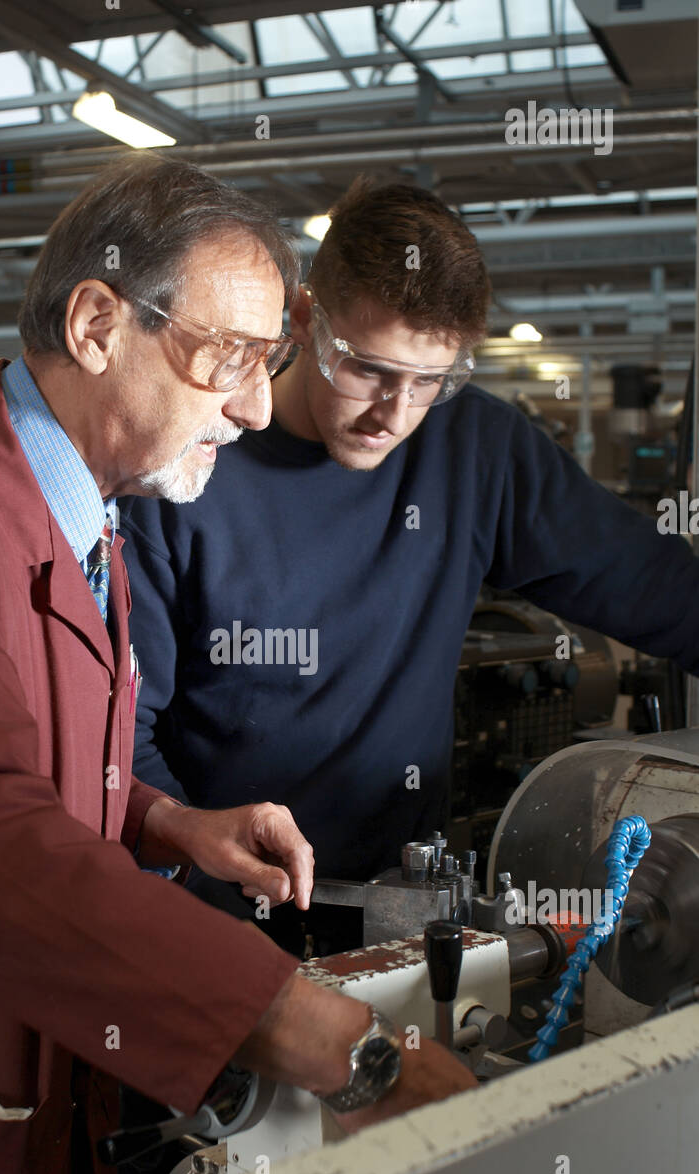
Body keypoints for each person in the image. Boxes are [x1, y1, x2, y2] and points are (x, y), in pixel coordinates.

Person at [0, 156, 474, 1174]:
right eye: (231, 357)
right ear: (95, 325)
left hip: (38, 1094)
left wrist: (167, 818)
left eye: (270, 364)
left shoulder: (95, 511)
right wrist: (329, 1038)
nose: (259, 406)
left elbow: (47, 756)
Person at [120, 176, 699, 943]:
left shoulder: (474, 449)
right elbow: (122, 738)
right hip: (210, 923)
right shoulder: (188, 467)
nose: (395, 414)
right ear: (302, 321)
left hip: (405, 911)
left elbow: (654, 589)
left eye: (430, 381)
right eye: (369, 370)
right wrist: (205, 892)